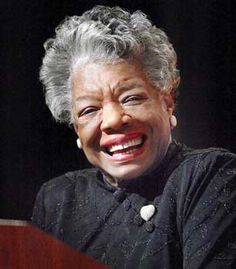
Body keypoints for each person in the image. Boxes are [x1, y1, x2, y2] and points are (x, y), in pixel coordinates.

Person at [32, 5, 236, 268]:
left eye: (131, 98)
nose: (114, 120)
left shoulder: (210, 176)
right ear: (76, 129)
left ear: (167, 102)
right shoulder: (58, 200)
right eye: (89, 110)